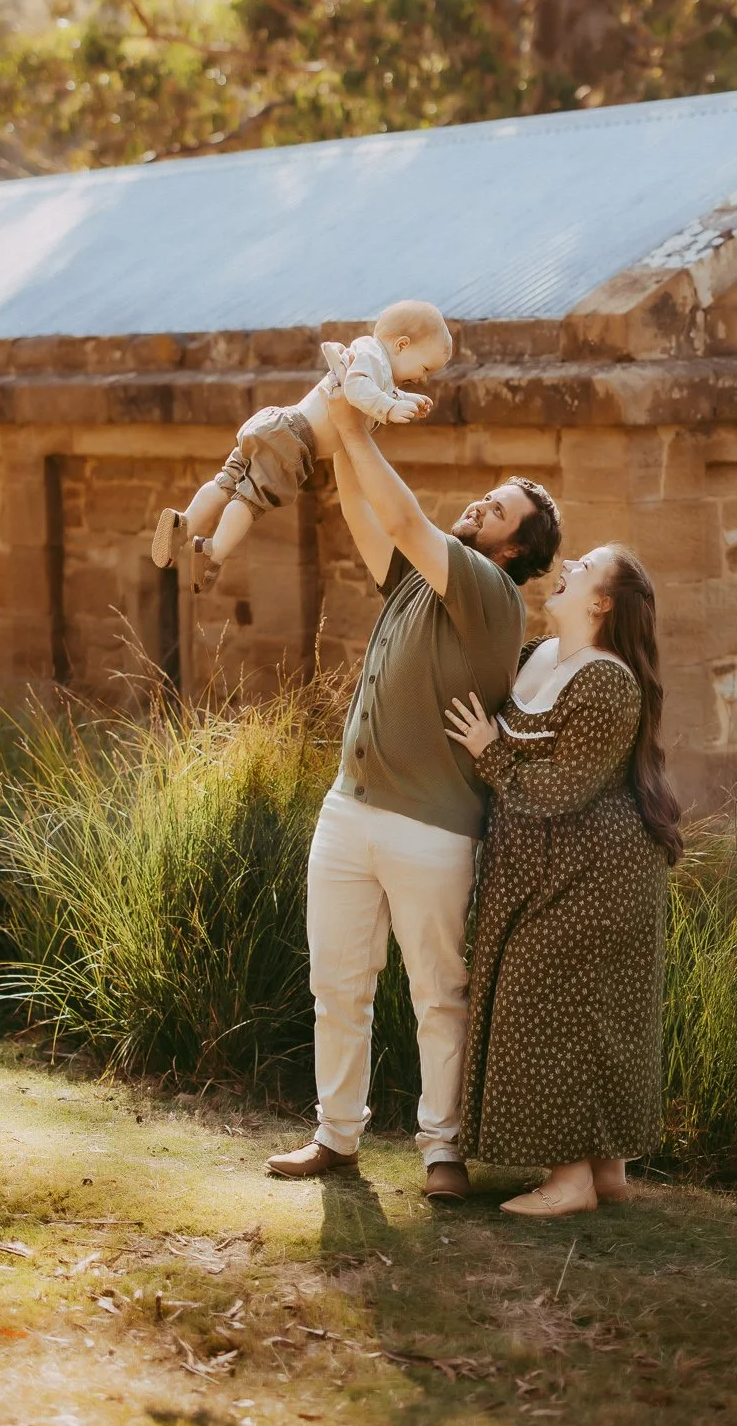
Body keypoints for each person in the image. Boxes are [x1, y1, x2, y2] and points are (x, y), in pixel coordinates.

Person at [265, 388, 563, 1202]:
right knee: (338, 984)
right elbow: (369, 517)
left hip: (433, 828)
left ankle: (443, 1152)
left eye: (497, 508)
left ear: (512, 550)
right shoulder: (418, 580)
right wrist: (334, 428)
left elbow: (400, 519)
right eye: (487, 495)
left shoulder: (492, 595)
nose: (480, 504)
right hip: (348, 807)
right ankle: (335, 1135)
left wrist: (357, 425)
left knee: (437, 993)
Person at [446, 545, 682, 1217]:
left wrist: (487, 754)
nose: (569, 562)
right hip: (547, 865)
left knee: (554, 1005)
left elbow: (559, 788)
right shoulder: (540, 659)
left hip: (593, 871)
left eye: (585, 565)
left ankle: (569, 1180)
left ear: (602, 603)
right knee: (582, 1010)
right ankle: (604, 1171)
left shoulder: (608, 682)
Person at [149, 300, 452, 592]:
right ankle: (212, 551)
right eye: (425, 368)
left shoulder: (374, 366)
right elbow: (357, 389)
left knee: (226, 482)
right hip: (294, 439)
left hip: (278, 425)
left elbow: (370, 389)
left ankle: (184, 524)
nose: (423, 379)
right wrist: (387, 408)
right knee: (251, 500)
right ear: (401, 345)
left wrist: (407, 400)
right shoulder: (373, 358)